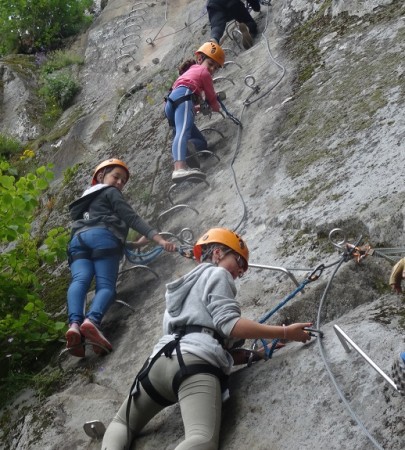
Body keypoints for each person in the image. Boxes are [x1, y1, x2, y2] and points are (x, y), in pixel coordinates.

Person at [101, 227, 312, 449]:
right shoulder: (218, 274)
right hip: (193, 366)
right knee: (202, 439)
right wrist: (286, 332)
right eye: (239, 261)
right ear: (218, 253)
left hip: (157, 366)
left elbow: (207, 342)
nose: (240, 271)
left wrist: (255, 355)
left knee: (121, 422)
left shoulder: (178, 291)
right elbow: (229, 325)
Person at [65, 158, 176, 358]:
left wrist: (134, 244)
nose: (119, 183)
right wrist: (158, 240)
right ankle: (91, 321)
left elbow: (96, 229)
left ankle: (74, 325)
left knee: (79, 280)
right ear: (101, 176)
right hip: (103, 240)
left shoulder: (84, 202)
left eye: (123, 181)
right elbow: (131, 218)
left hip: (78, 241)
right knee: (106, 287)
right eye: (116, 177)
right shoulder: (110, 192)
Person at [165, 42, 224, 183]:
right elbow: (211, 96)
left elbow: (186, 106)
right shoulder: (203, 73)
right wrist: (216, 107)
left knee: (199, 141)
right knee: (182, 132)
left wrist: (198, 108)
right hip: (184, 97)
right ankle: (179, 168)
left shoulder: (189, 73)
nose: (211, 69)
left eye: (215, 68)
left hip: (172, 102)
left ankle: (191, 152)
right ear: (200, 59)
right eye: (210, 64)